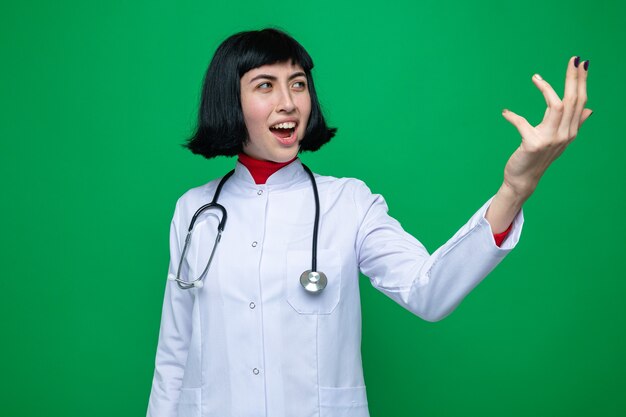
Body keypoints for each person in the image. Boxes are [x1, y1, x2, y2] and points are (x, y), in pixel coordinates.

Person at [146, 28, 591, 417]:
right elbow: (174, 353)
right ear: (231, 99)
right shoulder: (195, 210)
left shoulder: (350, 202)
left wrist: (514, 189)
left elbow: (428, 292)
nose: (288, 103)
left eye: (298, 84)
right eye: (266, 85)